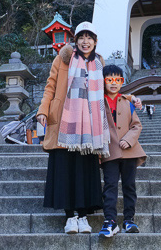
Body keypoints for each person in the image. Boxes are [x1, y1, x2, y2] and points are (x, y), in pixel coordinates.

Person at [37, 21, 110, 234]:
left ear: (95, 41)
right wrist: (43, 110)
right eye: (81, 37)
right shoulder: (62, 59)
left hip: (90, 126)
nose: (85, 41)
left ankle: (83, 216)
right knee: (65, 169)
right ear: (75, 41)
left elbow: (110, 90)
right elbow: (50, 86)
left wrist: (131, 99)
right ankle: (70, 217)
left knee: (85, 170)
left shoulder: (98, 63)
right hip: (64, 123)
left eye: (89, 38)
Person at [98, 64, 147, 238]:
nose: (113, 83)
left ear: (122, 82)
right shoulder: (98, 101)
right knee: (110, 186)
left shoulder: (127, 102)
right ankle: (110, 220)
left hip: (129, 151)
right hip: (109, 152)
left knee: (129, 186)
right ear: (103, 82)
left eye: (117, 80)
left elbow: (136, 125)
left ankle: (129, 219)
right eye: (109, 79)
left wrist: (128, 139)